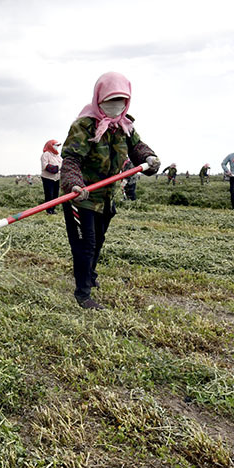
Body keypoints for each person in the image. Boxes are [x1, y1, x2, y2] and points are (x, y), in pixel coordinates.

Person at [59, 72, 160, 310]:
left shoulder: (124, 127)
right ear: (99, 98)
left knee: (100, 239)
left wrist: (150, 159)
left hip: (105, 196)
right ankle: (83, 294)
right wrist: (75, 184)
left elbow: (138, 149)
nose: (116, 106)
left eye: (121, 100)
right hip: (81, 195)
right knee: (86, 244)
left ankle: (90, 276)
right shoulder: (84, 125)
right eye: (111, 100)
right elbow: (71, 159)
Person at [40, 139, 62, 214]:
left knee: (55, 195)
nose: (57, 147)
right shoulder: (46, 154)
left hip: (56, 178)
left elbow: (63, 164)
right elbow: (46, 166)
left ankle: (53, 209)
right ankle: (48, 210)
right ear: (51, 146)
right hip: (48, 178)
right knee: (49, 194)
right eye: (56, 145)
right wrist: (58, 167)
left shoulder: (57, 156)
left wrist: (58, 167)